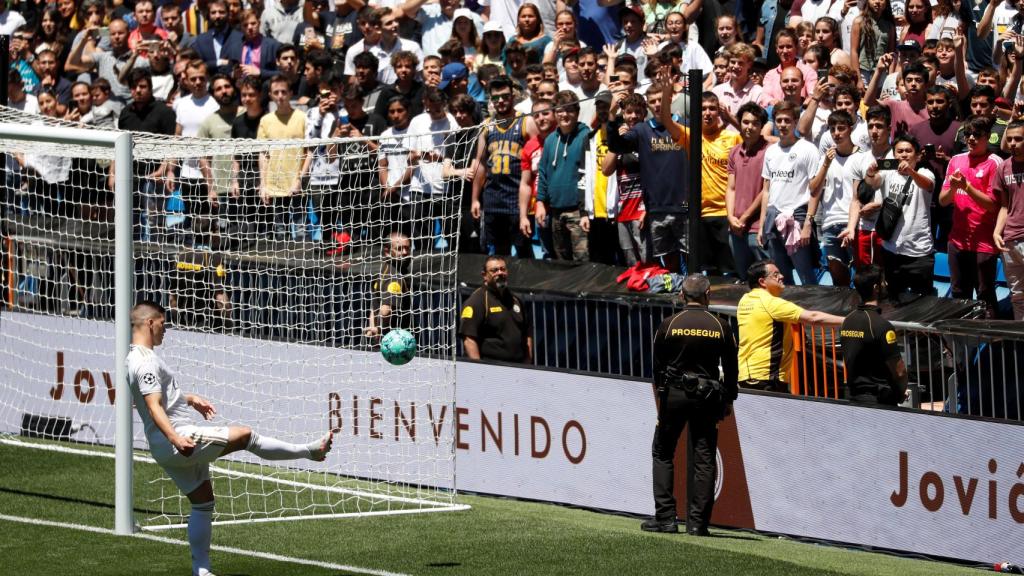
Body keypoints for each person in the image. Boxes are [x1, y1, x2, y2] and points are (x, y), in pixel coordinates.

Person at [126, 300, 333, 576]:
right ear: (150, 323)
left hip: (162, 447)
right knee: (246, 435)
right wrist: (176, 437)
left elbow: (148, 400)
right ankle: (310, 452)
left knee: (203, 503)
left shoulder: (132, 359)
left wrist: (189, 399)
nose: (166, 330)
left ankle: (201, 570)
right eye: (163, 323)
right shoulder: (146, 361)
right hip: (178, 440)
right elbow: (153, 407)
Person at [643, 274, 738, 536]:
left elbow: (657, 367)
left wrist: (663, 396)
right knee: (704, 458)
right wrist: (729, 398)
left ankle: (665, 519)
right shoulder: (720, 326)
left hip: (673, 394)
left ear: (682, 296)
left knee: (662, 452)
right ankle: (698, 524)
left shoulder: (669, 324)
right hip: (707, 397)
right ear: (707, 294)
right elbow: (731, 369)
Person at [737, 260, 844, 392]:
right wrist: (848, 321)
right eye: (775, 274)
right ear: (762, 282)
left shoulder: (745, 300)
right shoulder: (771, 303)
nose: (781, 276)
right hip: (767, 377)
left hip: (746, 374)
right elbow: (813, 318)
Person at [840, 265, 908, 405]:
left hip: (853, 397)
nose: (886, 284)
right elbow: (899, 371)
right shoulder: (882, 326)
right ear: (876, 288)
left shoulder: (847, 321)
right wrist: (900, 393)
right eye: (883, 281)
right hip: (880, 400)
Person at [459, 255, 532, 364]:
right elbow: (469, 340)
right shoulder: (477, 301)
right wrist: (479, 369)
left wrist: (528, 364)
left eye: (503, 269)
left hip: (518, 368)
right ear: (484, 275)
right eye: (494, 270)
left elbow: (527, 335)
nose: (500, 273)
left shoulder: (516, 300)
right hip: (490, 368)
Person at [365, 232, 413, 339]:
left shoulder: (383, 270)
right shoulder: (395, 276)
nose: (405, 252)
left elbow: (374, 306)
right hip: (396, 340)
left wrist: (373, 328)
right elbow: (385, 311)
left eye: (407, 248)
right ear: (387, 251)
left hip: (381, 340)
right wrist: (380, 330)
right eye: (400, 249)